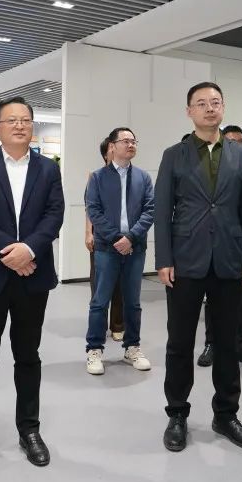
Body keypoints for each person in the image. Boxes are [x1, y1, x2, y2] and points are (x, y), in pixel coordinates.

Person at [155, 82, 242, 453]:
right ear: (190, 111)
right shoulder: (174, 155)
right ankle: (177, 414)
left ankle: (226, 415)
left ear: (223, 107)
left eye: (215, 102)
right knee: (180, 342)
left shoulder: (240, 155)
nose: (209, 108)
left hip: (229, 260)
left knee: (227, 342)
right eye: (201, 103)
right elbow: (163, 209)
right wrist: (164, 259)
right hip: (186, 260)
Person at [0, 97, 64, 475]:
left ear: (32, 126)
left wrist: (29, 249)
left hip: (33, 278)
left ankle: (29, 430)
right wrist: (11, 252)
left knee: (28, 356)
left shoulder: (48, 169)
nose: (20, 125)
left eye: (26, 120)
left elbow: (55, 213)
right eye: (11, 120)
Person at [83, 127, 155, 375]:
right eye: (125, 141)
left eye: (134, 141)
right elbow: (93, 210)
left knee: (132, 302)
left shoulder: (143, 178)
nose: (131, 144)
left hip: (135, 248)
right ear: (112, 146)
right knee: (99, 301)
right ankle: (94, 350)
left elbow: (150, 210)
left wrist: (131, 237)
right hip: (107, 247)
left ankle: (132, 347)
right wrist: (116, 238)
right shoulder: (97, 178)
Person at [198, 125, 242, 369]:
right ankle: (211, 344)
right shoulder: (211, 173)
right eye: (231, 141)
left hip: (240, 250)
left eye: (240, 141)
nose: (236, 145)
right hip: (213, 248)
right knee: (212, 300)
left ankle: (241, 345)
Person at [85, 138, 124, 342]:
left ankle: (118, 324)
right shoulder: (96, 177)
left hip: (123, 239)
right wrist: (88, 233)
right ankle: (98, 326)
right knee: (99, 284)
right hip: (100, 238)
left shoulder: (129, 177)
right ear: (106, 154)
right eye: (111, 148)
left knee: (121, 284)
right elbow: (89, 208)